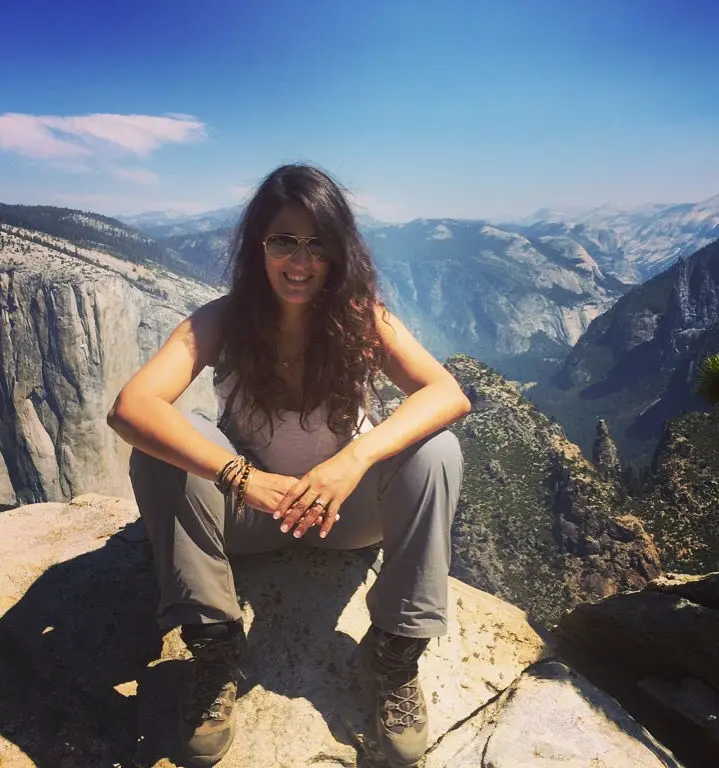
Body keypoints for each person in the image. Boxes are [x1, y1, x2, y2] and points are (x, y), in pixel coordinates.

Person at [107, 163, 469, 768]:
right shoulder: (220, 320)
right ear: (259, 247)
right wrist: (241, 478)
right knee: (164, 444)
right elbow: (131, 409)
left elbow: (447, 394)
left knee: (436, 449)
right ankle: (215, 646)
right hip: (249, 518)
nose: (299, 261)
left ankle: (395, 653)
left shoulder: (362, 319)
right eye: (283, 241)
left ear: (338, 251)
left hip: (343, 517)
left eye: (316, 243)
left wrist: (352, 460)